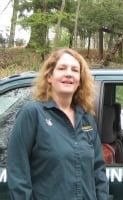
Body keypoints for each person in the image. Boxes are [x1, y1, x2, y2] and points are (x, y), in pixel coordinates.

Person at [7, 48, 109, 200]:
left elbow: (98, 170)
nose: (69, 73)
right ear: (49, 76)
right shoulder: (33, 113)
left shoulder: (87, 118)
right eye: (62, 68)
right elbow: (17, 171)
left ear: (79, 80)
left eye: (75, 70)